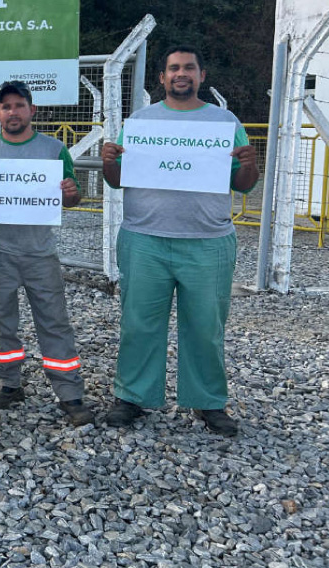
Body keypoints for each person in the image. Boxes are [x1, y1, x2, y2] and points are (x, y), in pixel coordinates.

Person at [101, 45, 259, 437]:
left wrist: (251, 166)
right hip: (144, 239)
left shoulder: (224, 122)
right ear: (162, 78)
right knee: (138, 324)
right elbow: (118, 179)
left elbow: (242, 183)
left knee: (206, 326)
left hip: (207, 241)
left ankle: (208, 402)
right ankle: (132, 396)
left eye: (189, 67)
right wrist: (108, 161)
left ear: (202, 75)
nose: (181, 73)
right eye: (173, 68)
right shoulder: (141, 121)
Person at [0, 81, 93, 426]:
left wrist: (71, 192)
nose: (12, 112)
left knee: (54, 321)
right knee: (1, 322)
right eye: (6, 106)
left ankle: (69, 393)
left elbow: (71, 198)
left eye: (19, 105)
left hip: (39, 253)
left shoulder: (53, 149)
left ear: (31, 110)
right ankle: (9, 384)